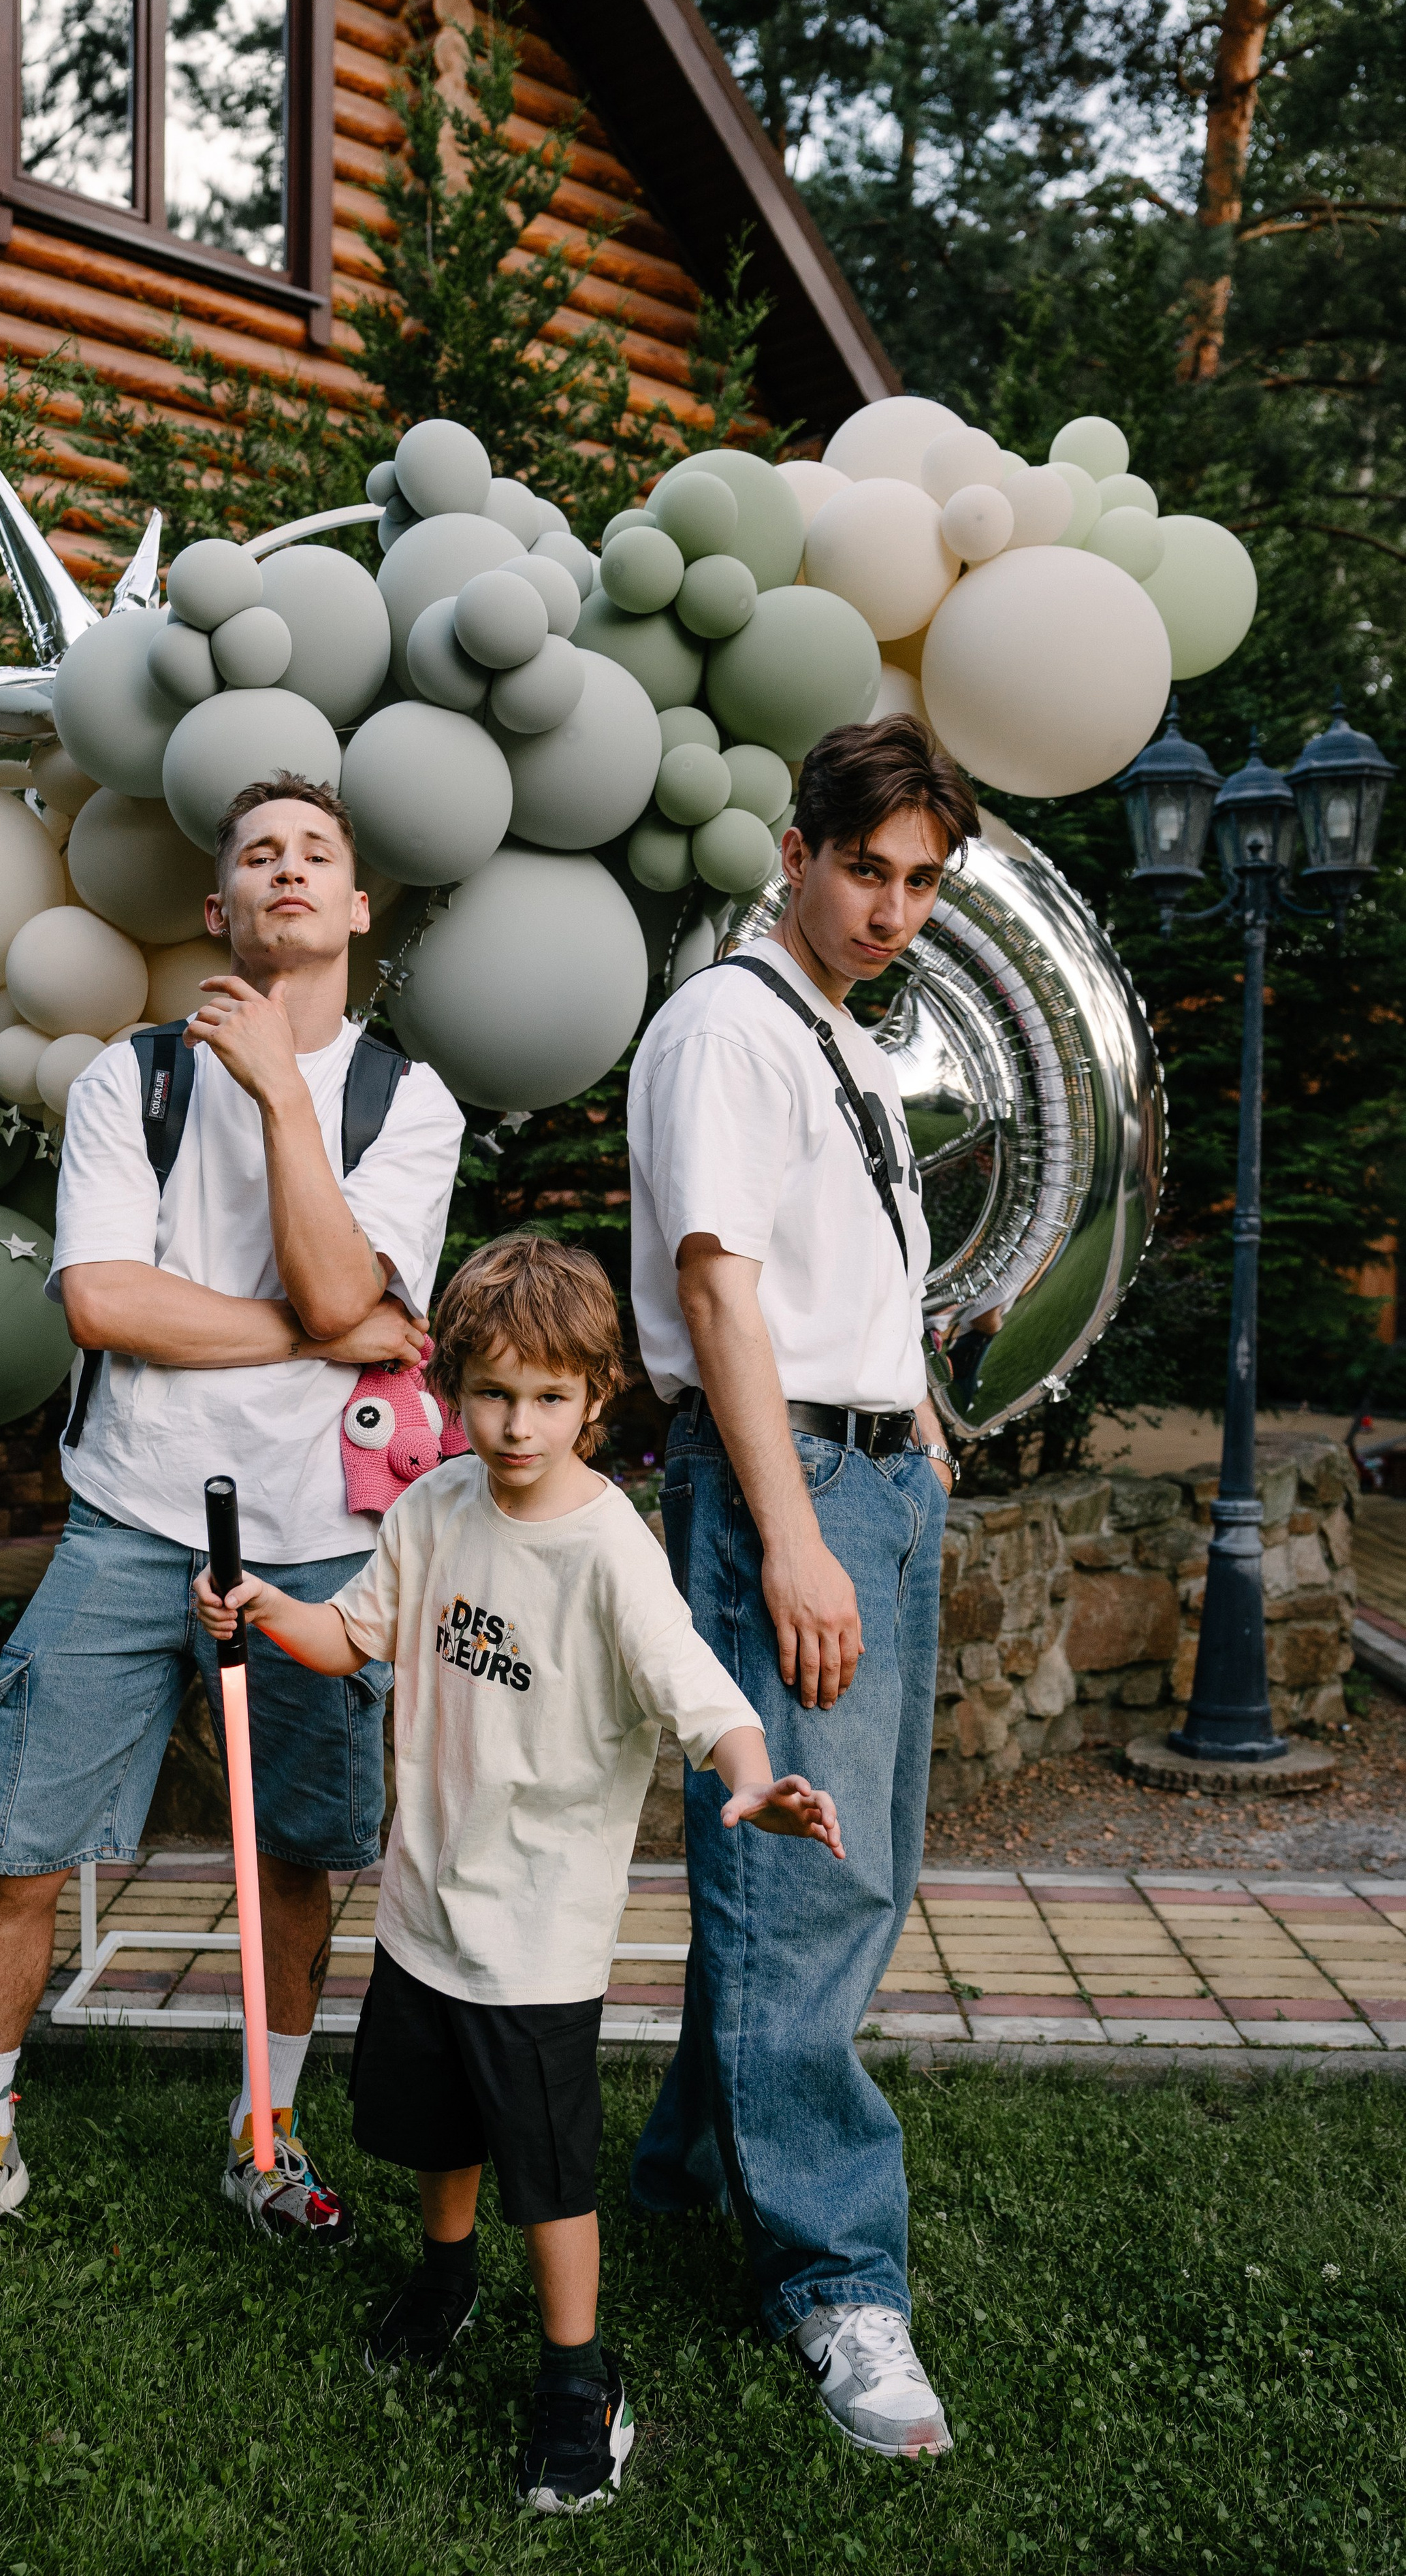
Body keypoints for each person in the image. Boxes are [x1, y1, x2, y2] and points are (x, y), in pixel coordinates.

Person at [0, 771, 465, 2281]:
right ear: (219, 908)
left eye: (317, 853)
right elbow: (103, 1302)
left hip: (320, 1539)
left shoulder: (406, 1104)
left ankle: (266, 2134)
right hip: (132, 1517)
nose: (289, 870)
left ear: (358, 906)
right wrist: (322, 1329)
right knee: (19, 1850)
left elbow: (348, 1292)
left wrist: (281, 1092)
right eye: (259, 855)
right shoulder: (127, 1081)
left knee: (299, 1859)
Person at [195, 1231, 844, 2513]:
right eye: (492, 1393)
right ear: (451, 1387)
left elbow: (702, 1696)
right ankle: (444, 2279)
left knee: (547, 2178)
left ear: (598, 1397)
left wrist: (753, 1775)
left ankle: (577, 2382)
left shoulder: (610, 1552)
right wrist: (264, 1606)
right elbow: (350, 1636)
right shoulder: (435, 1507)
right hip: (424, 1907)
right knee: (437, 2132)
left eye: (550, 1397)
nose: (517, 1424)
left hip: (537, 1938)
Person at [625, 711, 979, 2459]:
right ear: (794, 854)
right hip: (791, 1489)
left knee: (848, 1872)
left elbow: (836, 1277)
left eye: (919, 881)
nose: (889, 908)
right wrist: (789, 1532)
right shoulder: (726, 1028)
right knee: (803, 1887)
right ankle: (838, 2282)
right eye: (862, 870)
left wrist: (911, 1418)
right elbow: (716, 1290)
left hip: (867, 1471)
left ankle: (682, 2172)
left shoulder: (830, 1029)